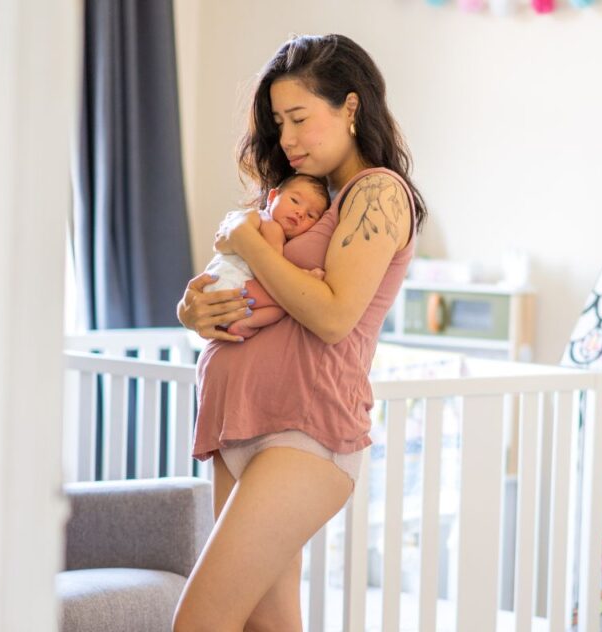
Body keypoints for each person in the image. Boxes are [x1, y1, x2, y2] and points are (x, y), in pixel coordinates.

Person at [171, 33, 428, 632]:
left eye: (299, 118)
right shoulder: (294, 199)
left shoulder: (379, 192)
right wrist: (191, 313)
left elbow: (334, 315)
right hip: (238, 422)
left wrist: (245, 243)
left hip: (305, 430)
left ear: (350, 107)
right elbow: (242, 291)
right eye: (278, 122)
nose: (286, 138)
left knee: (200, 621)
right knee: (267, 626)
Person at [202, 173, 330, 337]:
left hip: (221, 287)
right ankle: (245, 324)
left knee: (284, 302)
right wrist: (307, 276)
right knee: (286, 301)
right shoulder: (269, 225)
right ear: (272, 196)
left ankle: (238, 323)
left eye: (311, 215)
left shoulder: (256, 221)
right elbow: (273, 271)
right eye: (295, 201)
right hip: (232, 285)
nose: (300, 212)